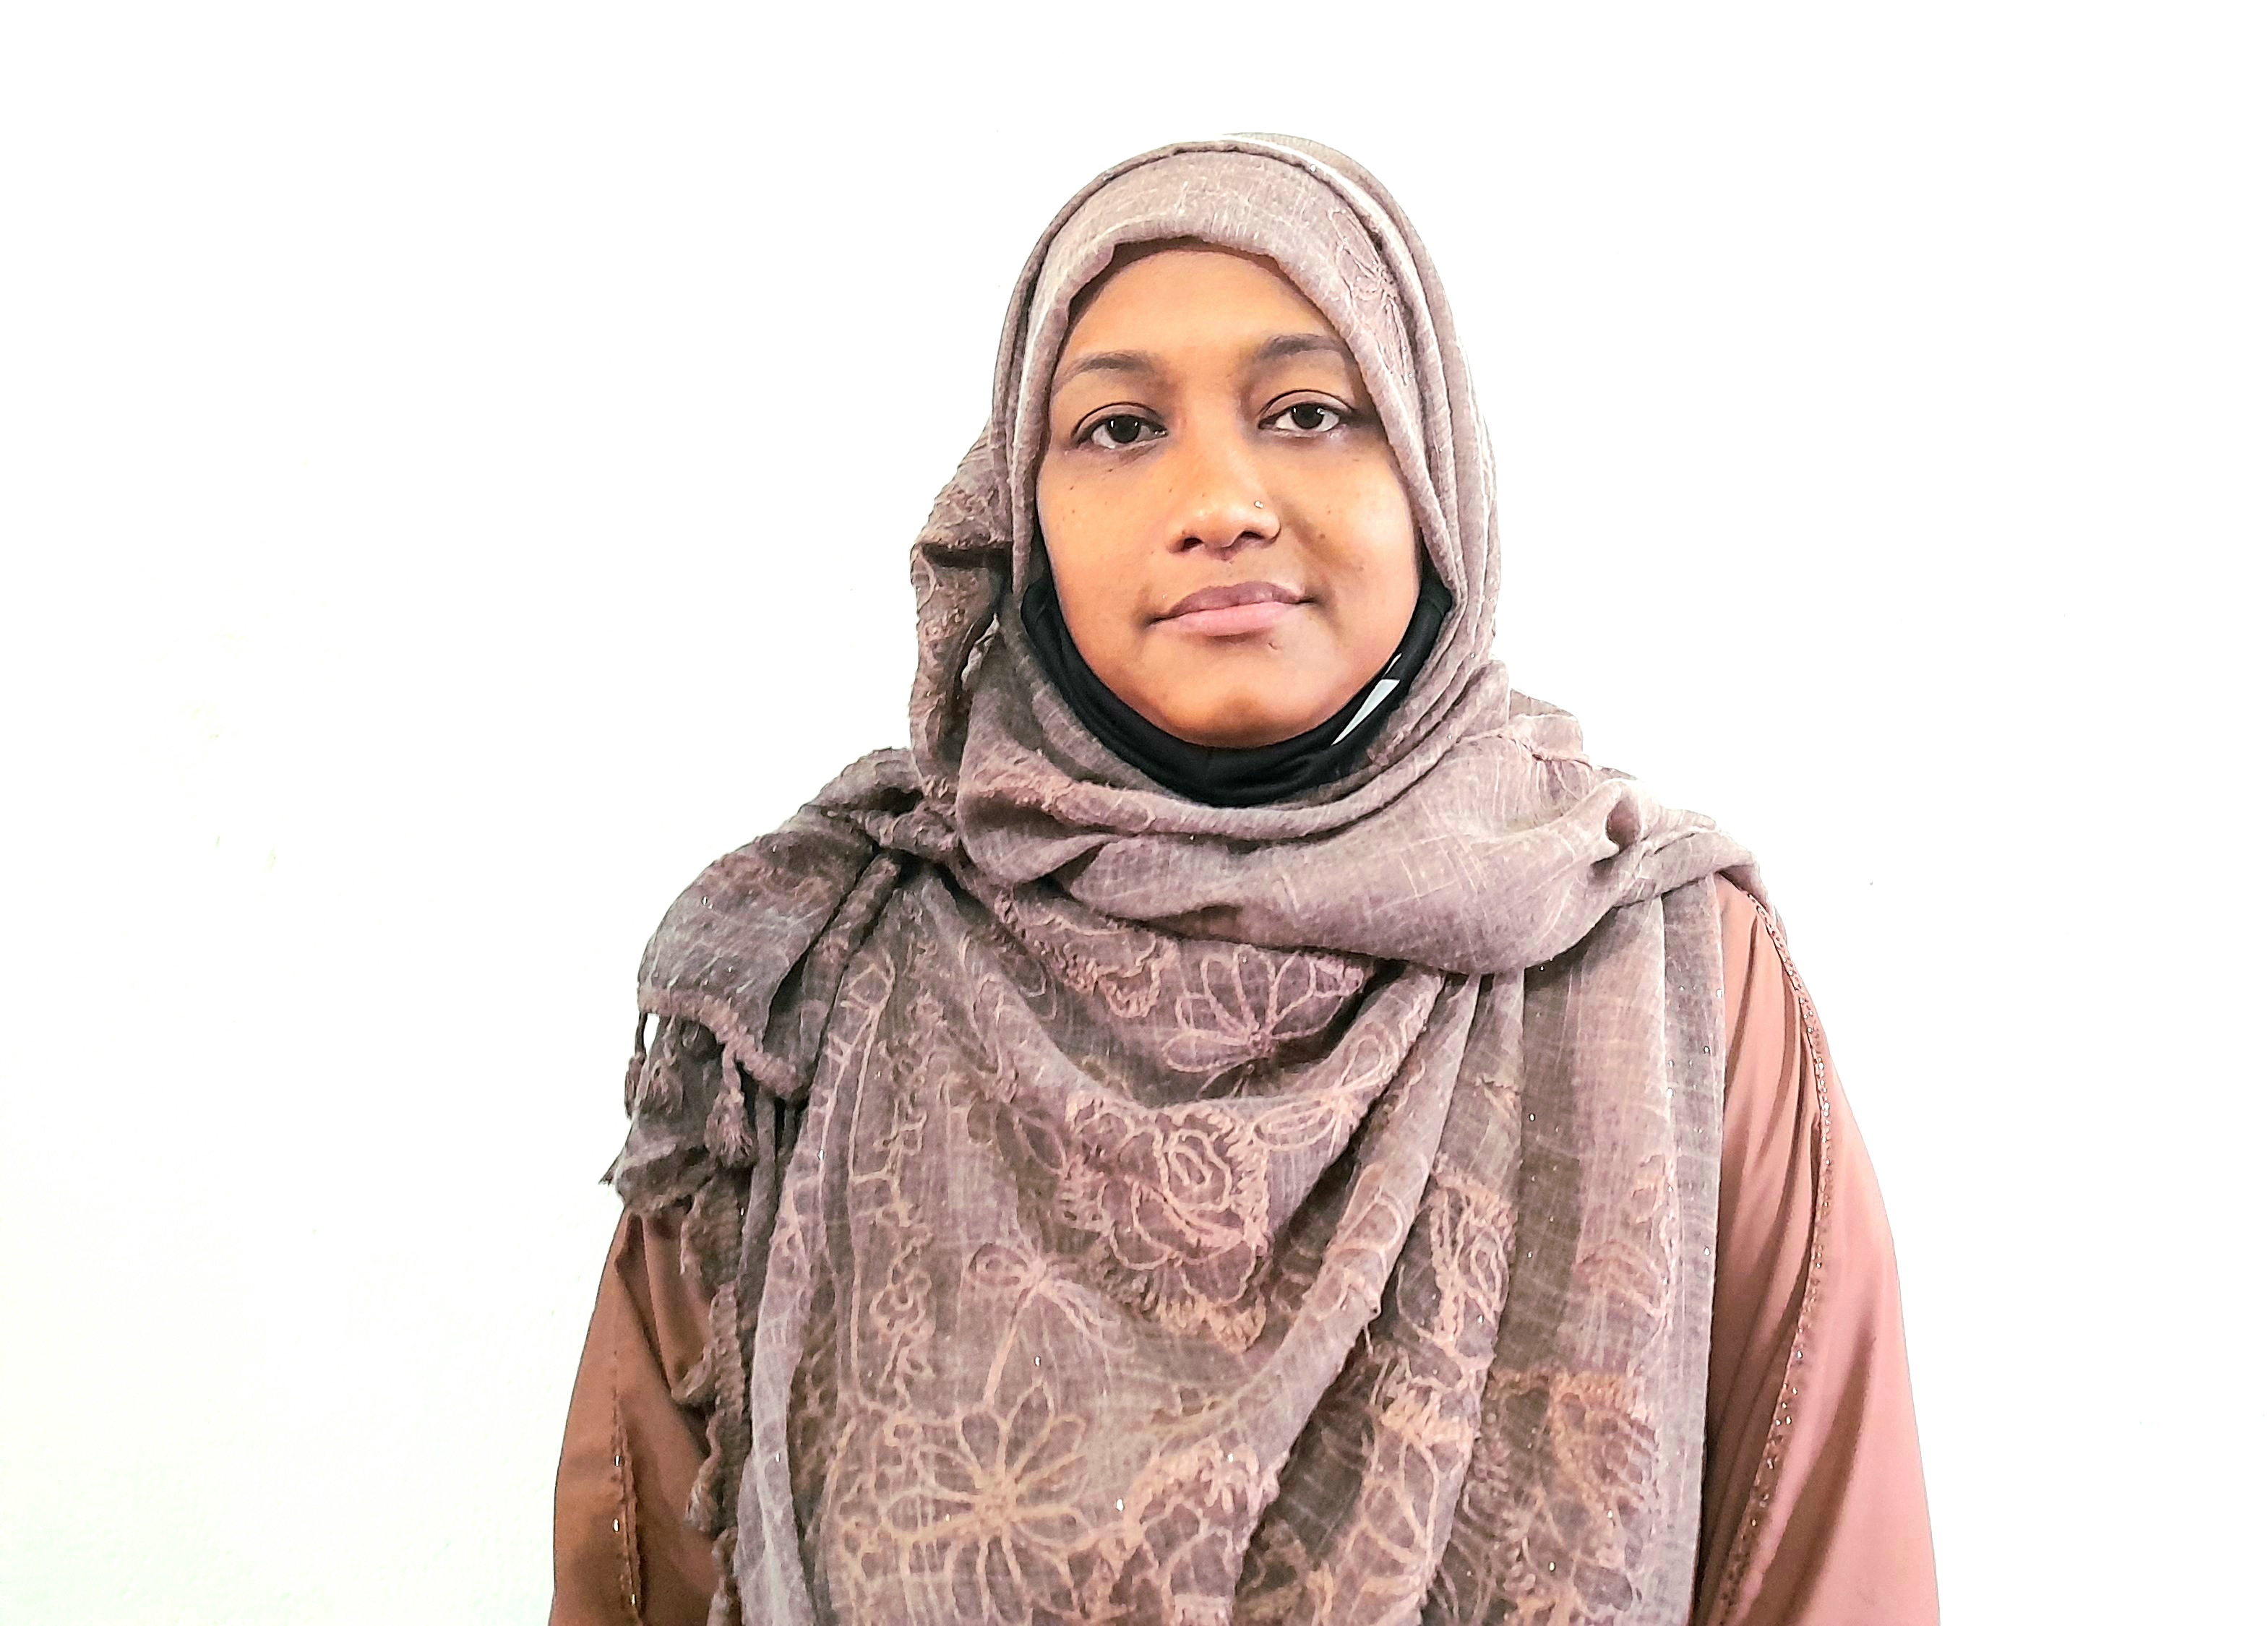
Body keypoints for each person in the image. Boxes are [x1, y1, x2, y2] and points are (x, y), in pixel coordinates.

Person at [550, 134, 1938, 1625]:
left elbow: (1819, 1571)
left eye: (1309, 413)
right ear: (1020, 515)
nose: (1219, 498)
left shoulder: (1664, 975)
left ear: (1431, 477)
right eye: (1118, 428)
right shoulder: (814, 981)